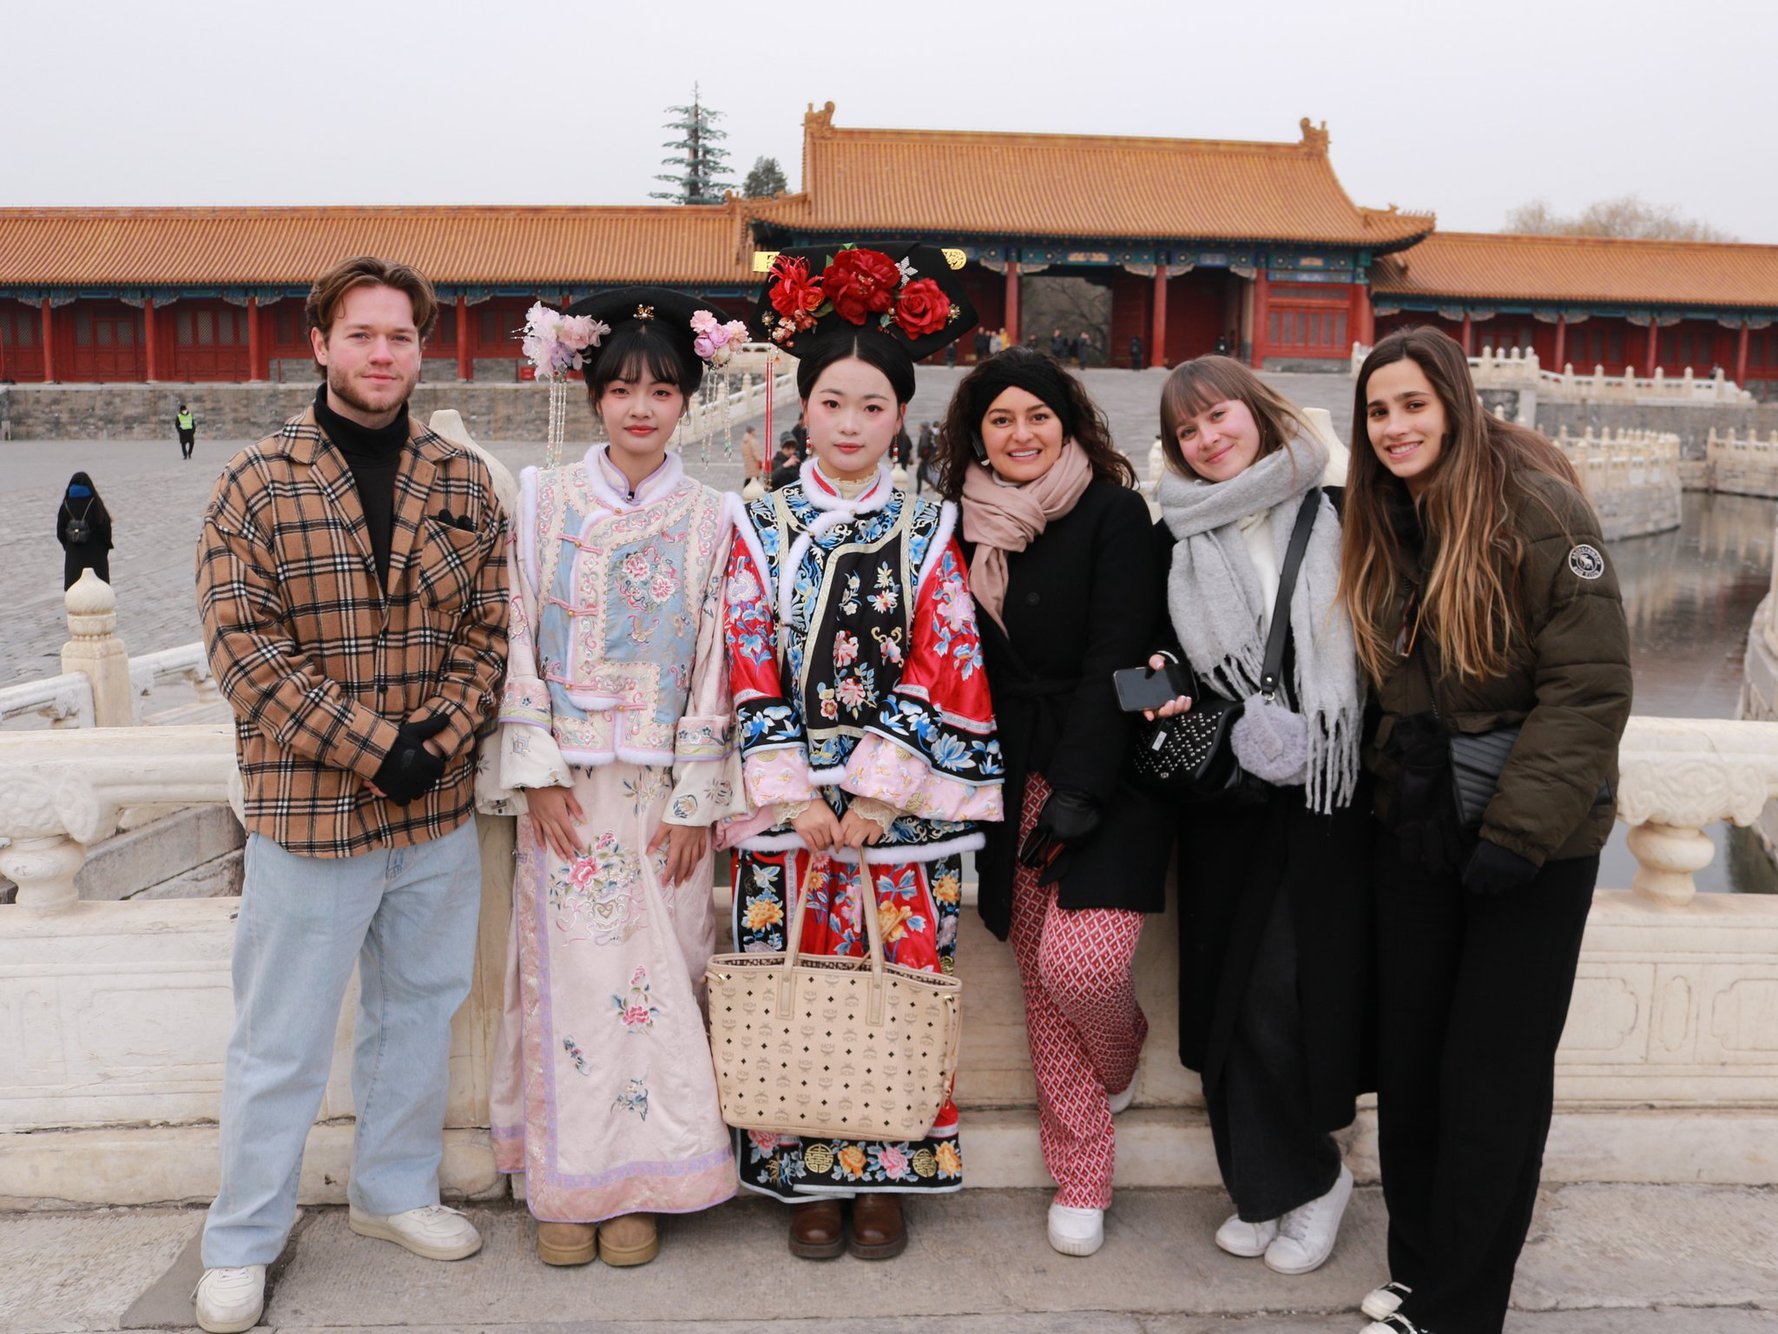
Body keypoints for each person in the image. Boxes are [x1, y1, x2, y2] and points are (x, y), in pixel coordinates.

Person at [192, 255, 508, 1334]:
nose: (383, 355)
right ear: (319, 343)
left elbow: (489, 634)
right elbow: (245, 653)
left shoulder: (461, 481)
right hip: (310, 813)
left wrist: (446, 735)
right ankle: (241, 1237)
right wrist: (376, 746)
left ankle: (393, 1187)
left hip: (435, 812)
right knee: (280, 1036)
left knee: (416, 1012)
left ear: (424, 350)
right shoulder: (256, 481)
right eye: (363, 335)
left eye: (402, 337)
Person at [1343, 327, 1631, 1334]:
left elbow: (1588, 687)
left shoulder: (1535, 507)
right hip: (1421, 825)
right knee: (1414, 1058)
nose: (1394, 426)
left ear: (1455, 402)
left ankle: (1461, 1306)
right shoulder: (1382, 516)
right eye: (1377, 410)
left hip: (1531, 840)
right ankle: (1420, 1265)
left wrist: (1516, 833)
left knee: (1490, 1071)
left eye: (1412, 404)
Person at [724, 240, 1000, 1261]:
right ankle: (799, 1171)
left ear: (900, 415)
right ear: (803, 409)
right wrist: (793, 787)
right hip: (787, 810)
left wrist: (881, 788)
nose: (849, 424)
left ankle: (889, 1171)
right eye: (832, 403)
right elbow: (746, 651)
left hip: (900, 813)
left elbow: (946, 651)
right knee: (789, 978)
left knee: (900, 980)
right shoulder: (756, 521)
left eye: (871, 406)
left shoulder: (931, 525)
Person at [488, 288, 747, 1268]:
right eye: (623, 387)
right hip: (568, 790)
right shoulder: (542, 498)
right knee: (573, 981)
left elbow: (720, 655)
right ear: (592, 392)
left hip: (663, 797)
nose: (641, 407)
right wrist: (536, 769)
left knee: (662, 978)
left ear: (685, 401)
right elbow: (512, 628)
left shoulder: (713, 515)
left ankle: (648, 1175)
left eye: (663, 389)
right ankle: (567, 1177)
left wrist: (695, 798)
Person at [939, 347, 1169, 1258]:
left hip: (1110, 777)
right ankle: (1082, 1176)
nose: (1021, 434)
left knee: (1083, 967)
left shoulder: (1116, 513)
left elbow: (1124, 655)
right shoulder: (963, 528)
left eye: (1038, 416)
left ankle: (1122, 1051)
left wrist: (1077, 791)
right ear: (979, 437)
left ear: (1068, 423)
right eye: (1001, 420)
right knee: (1041, 981)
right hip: (1014, 777)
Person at [1148, 356, 1372, 1279]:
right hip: (1229, 798)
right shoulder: (1175, 537)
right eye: (1188, 431)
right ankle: (1261, 1185)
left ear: (1260, 410)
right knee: (1224, 1002)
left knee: (1284, 996)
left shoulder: (1340, 512)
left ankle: (1316, 1178)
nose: (1208, 439)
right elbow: (1152, 656)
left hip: (1326, 794)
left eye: (1219, 416)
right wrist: (1158, 687)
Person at [56, 471, 112, 589]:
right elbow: (106, 531)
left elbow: (60, 533)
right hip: (97, 561)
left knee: (76, 599)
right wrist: (103, 549)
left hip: (74, 562)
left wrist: (70, 545)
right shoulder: (95, 504)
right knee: (98, 598)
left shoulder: (66, 505)